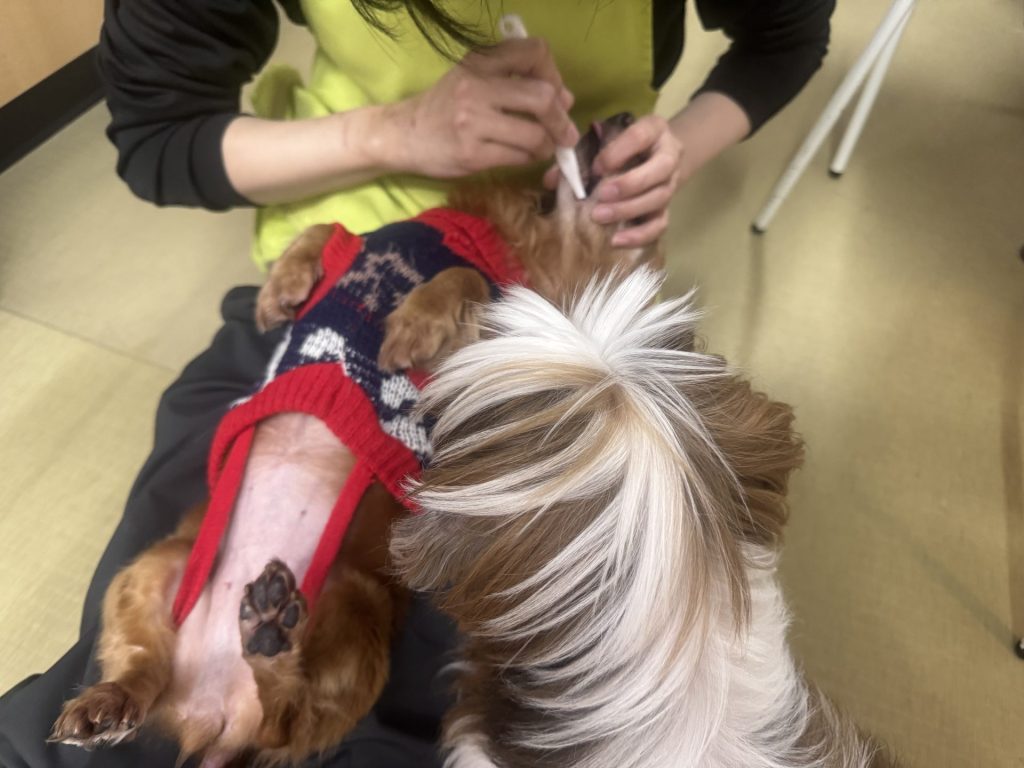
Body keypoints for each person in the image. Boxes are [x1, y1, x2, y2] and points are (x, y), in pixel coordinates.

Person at [0, 1, 835, 765]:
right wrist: (390, 134)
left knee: (467, 700)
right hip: (330, 289)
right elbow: (158, 134)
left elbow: (785, 39)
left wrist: (674, 152)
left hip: (537, 357)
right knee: (92, 707)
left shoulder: (560, 282)